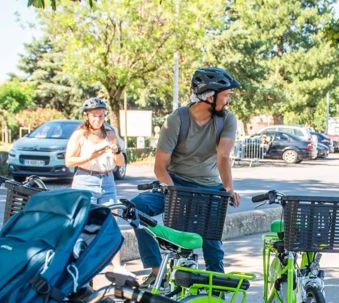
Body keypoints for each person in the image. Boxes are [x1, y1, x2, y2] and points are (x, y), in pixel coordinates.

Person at [131, 67, 241, 275]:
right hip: (177, 184)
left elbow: (223, 156)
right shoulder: (176, 120)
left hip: (208, 187)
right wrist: (174, 194)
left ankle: (217, 287)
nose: (228, 101)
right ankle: (156, 270)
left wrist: (228, 188)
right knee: (137, 208)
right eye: (226, 96)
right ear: (209, 96)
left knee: (211, 241)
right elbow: (160, 167)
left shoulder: (227, 119)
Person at [65, 96, 126, 268]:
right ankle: (79, 265)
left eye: (100, 115)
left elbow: (120, 163)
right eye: (94, 115)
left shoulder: (110, 134)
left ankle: (117, 266)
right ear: (87, 116)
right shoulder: (79, 135)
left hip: (107, 180)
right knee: (83, 224)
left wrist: (116, 151)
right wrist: (90, 156)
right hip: (85, 179)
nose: (98, 119)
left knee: (111, 223)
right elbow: (69, 161)